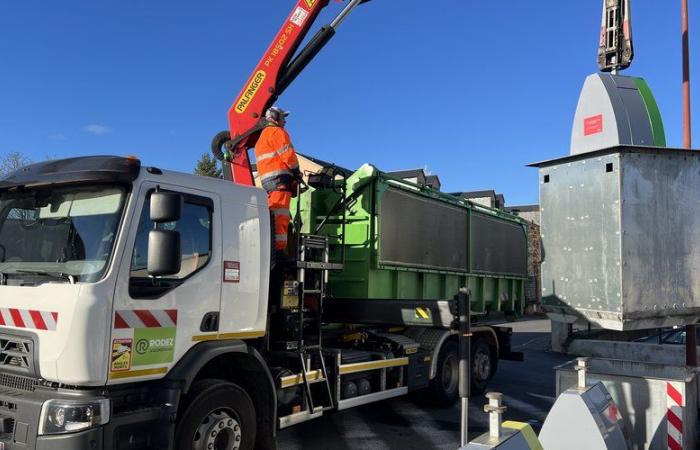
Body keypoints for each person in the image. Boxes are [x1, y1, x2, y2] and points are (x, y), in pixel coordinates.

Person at [254, 106, 301, 256]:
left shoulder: (262, 137)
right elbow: (288, 155)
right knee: (281, 214)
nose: (285, 121)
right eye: (283, 117)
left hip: (268, 181)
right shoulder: (278, 132)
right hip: (279, 180)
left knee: (273, 212)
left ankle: (273, 245)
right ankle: (279, 250)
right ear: (274, 117)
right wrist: (296, 172)